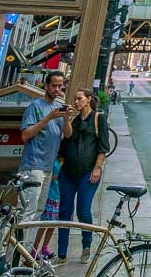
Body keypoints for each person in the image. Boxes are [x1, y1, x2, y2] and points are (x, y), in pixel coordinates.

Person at [18, 71, 71, 246]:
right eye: (54, 85)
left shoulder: (58, 107)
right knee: (28, 211)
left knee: (39, 211)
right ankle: (15, 254)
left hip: (48, 167)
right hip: (33, 166)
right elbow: (25, 135)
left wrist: (66, 118)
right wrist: (48, 118)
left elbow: (68, 134)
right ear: (46, 86)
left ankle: (27, 251)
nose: (57, 89)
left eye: (60, 86)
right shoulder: (36, 106)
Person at [57, 88, 110, 265]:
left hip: (88, 172)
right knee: (64, 212)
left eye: (79, 98)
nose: (76, 101)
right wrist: (66, 119)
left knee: (83, 211)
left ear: (88, 99)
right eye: (75, 99)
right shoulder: (74, 120)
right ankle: (62, 252)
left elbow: (103, 146)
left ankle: (86, 244)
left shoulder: (98, 118)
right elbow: (68, 137)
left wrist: (97, 168)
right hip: (68, 173)